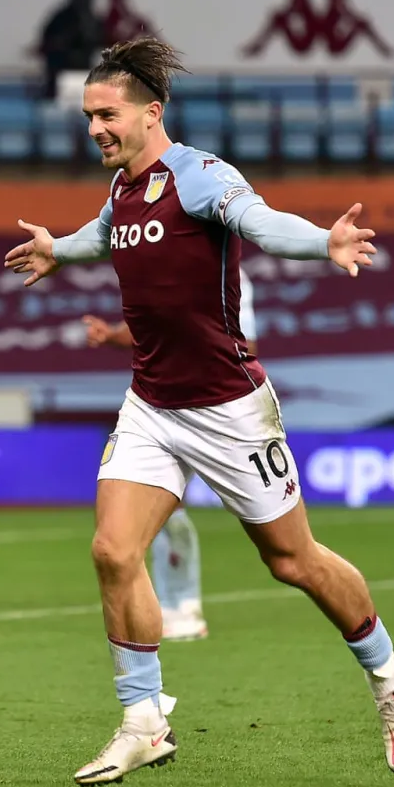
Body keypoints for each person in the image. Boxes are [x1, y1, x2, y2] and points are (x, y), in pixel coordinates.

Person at [5, 36, 394, 786]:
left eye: (106, 115)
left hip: (230, 408)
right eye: (88, 117)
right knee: (113, 551)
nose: (94, 128)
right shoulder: (122, 190)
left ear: (151, 112)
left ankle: (389, 672)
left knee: (292, 561)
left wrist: (322, 241)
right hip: (151, 404)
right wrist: (57, 250)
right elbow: (104, 236)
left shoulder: (199, 176)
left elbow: (260, 222)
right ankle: (143, 722)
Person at [82, 268, 260, 642]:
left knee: (283, 545)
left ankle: (180, 604)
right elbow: (148, 327)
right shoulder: (161, 258)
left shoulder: (225, 271)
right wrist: (111, 335)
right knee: (161, 508)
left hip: (215, 407)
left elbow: (248, 346)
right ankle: (178, 606)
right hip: (162, 408)